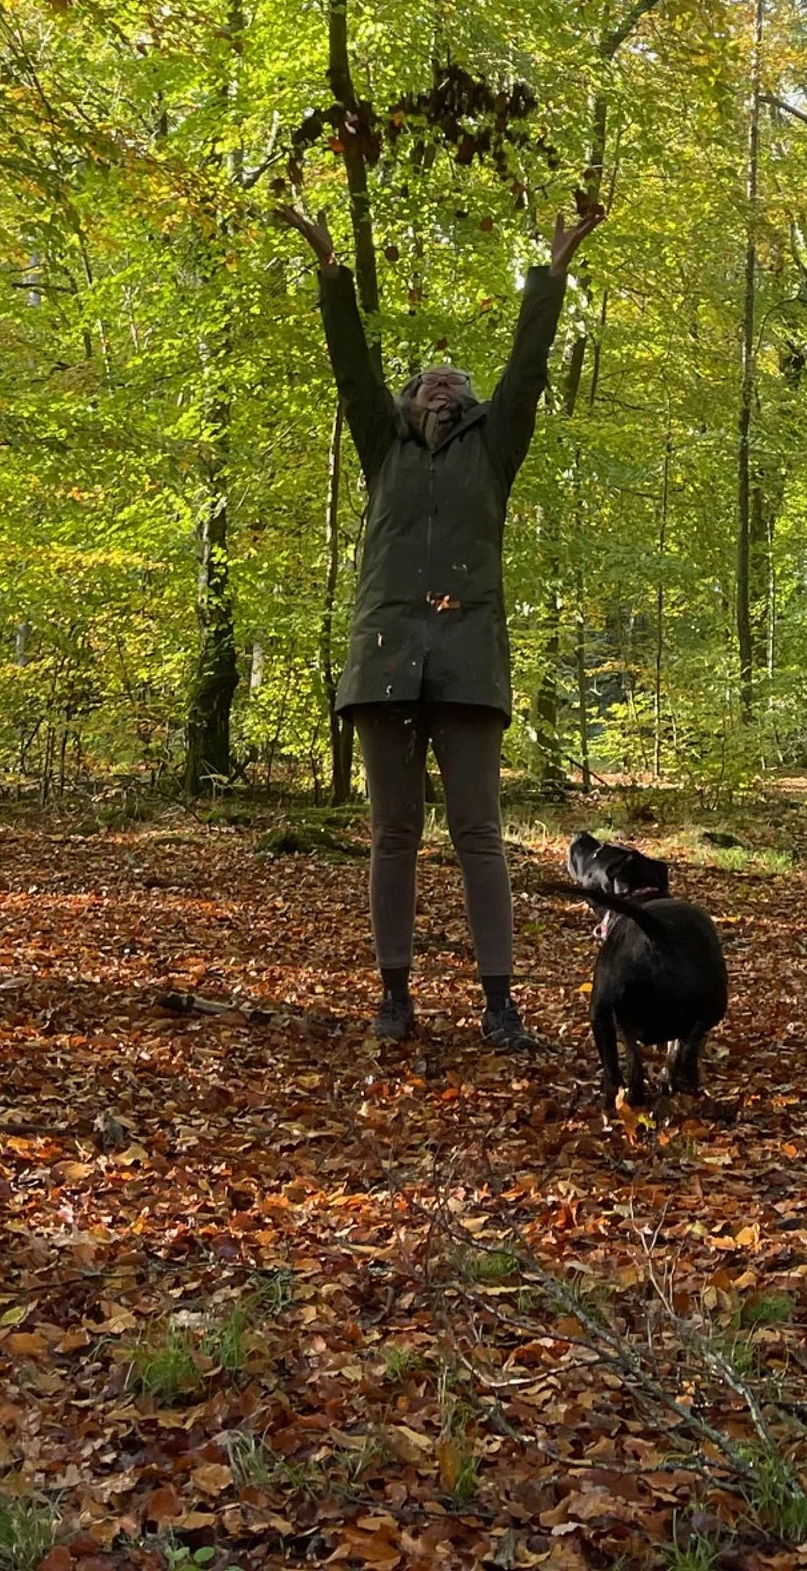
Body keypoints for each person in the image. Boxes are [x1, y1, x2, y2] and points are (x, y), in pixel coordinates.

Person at [273, 197, 604, 1046]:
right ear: (408, 399)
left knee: (478, 834)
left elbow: (527, 367)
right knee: (392, 834)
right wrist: (329, 266)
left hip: (468, 662)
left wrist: (556, 267)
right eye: (430, 379)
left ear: (472, 405)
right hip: (383, 658)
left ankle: (500, 1004)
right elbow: (350, 364)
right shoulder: (382, 453)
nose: (445, 383)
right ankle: (394, 997)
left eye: (459, 381)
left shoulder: (494, 453)